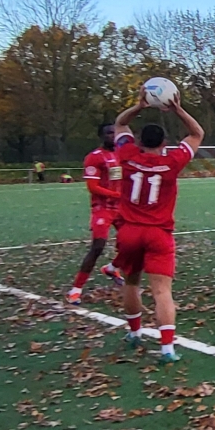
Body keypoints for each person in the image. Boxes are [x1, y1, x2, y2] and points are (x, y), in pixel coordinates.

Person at [111, 88, 204, 363]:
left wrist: (139, 106)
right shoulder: (171, 162)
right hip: (158, 233)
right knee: (162, 291)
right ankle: (167, 350)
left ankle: (135, 333)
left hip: (129, 231)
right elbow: (197, 133)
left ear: (139, 141)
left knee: (131, 282)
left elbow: (120, 124)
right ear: (165, 143)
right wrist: (178, 109)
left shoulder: (127, 154)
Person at [67, 124, 125, 306]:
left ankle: (112, 268)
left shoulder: (123, 154)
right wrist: (117, 195)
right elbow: (93, 187)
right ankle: (76, 289)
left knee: (133, 243)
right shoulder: (95, 157)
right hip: (103, 208)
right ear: (101, 136)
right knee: (98, 246)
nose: (112, 136)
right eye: (109, 133)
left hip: (123, 208)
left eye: (115, 132)